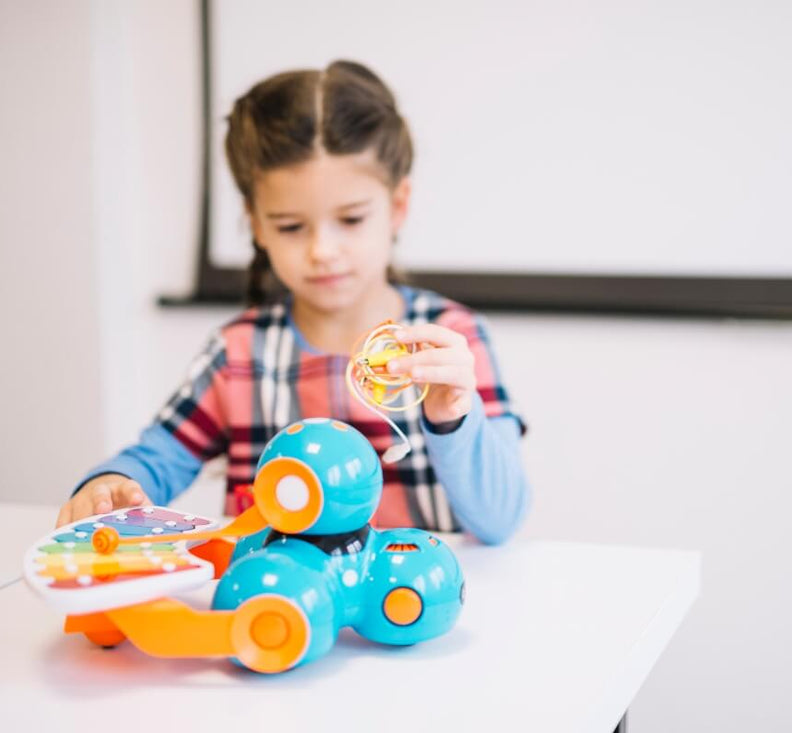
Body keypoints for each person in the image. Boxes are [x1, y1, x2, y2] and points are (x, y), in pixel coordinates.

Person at [56, 61, 529, 544]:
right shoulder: (236, 354)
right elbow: (155, 459)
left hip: (414, 607)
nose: (322, 251)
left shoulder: (452, 339)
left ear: (398, 206)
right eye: (290, 226)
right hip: (275, 607)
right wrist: (108, 486)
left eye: (350, 219)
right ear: (257, 225)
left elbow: (500, 520)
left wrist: (454, 417)